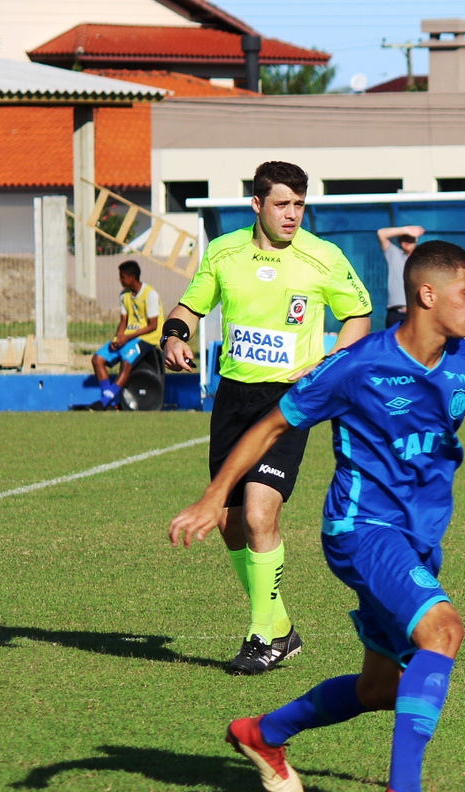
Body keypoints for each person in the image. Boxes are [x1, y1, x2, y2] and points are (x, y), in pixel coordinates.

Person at [167, 240, 465, 792]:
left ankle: (263, 733)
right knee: (444, 631)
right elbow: (273, 423)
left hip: (416, 541)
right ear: (426, 294)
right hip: (362, 530)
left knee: (381, 688)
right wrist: (213, 498)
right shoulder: (358, 364)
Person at [161, 160, 373, 675]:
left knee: (260, 514)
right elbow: (193, 305)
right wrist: (174, 334)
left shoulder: (323, 258)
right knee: (233, 522)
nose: (292, 214)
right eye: (282, 204)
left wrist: (327, 363)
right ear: (256, 205)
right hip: (234, 398)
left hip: (289, 400)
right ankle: (279, 627)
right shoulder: (223, 251)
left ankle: (262, 637)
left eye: (300, 204)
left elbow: (359, 316)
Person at [90, 260, 162, 410]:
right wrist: (118, 338)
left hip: (147, 337)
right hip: (128, 337)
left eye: (122, 277)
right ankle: (111, 400)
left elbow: (153, 325)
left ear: (132, 277)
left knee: (126, 362)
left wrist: (126, 337)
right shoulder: (124, 295)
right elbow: (123, 320)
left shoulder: (150, 294)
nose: (120, 280)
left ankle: (104, 402)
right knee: (97, 359)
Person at [377, 224, 425, 327]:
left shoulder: (422, 260)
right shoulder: (394, 254)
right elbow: (381, 233)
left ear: (416, 240)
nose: (407, 241)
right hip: (396, 314)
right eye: (404, 238)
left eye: (410, 238)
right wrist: (405, 230)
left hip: (416, 313)